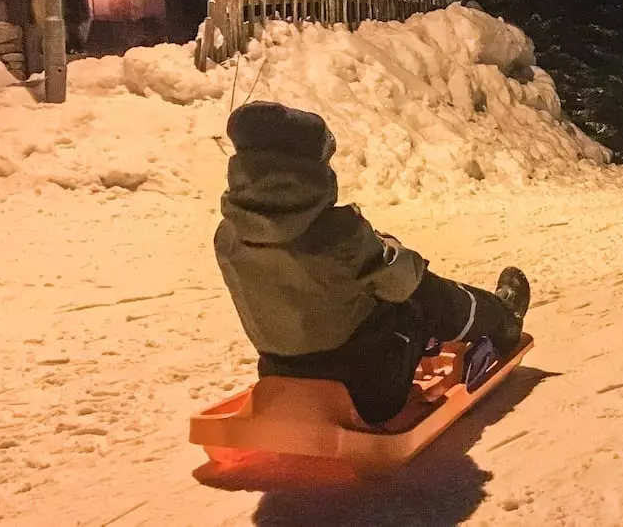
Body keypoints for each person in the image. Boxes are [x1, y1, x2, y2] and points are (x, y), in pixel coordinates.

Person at [213, 101, 531, 426]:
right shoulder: (340, 234)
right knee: (420, 298)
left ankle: (484, 319)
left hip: (278, 377)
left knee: (368, 295)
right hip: (369, 392)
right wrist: (385, 244)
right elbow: (408, 278)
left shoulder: (227, 237)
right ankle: (500, 320)